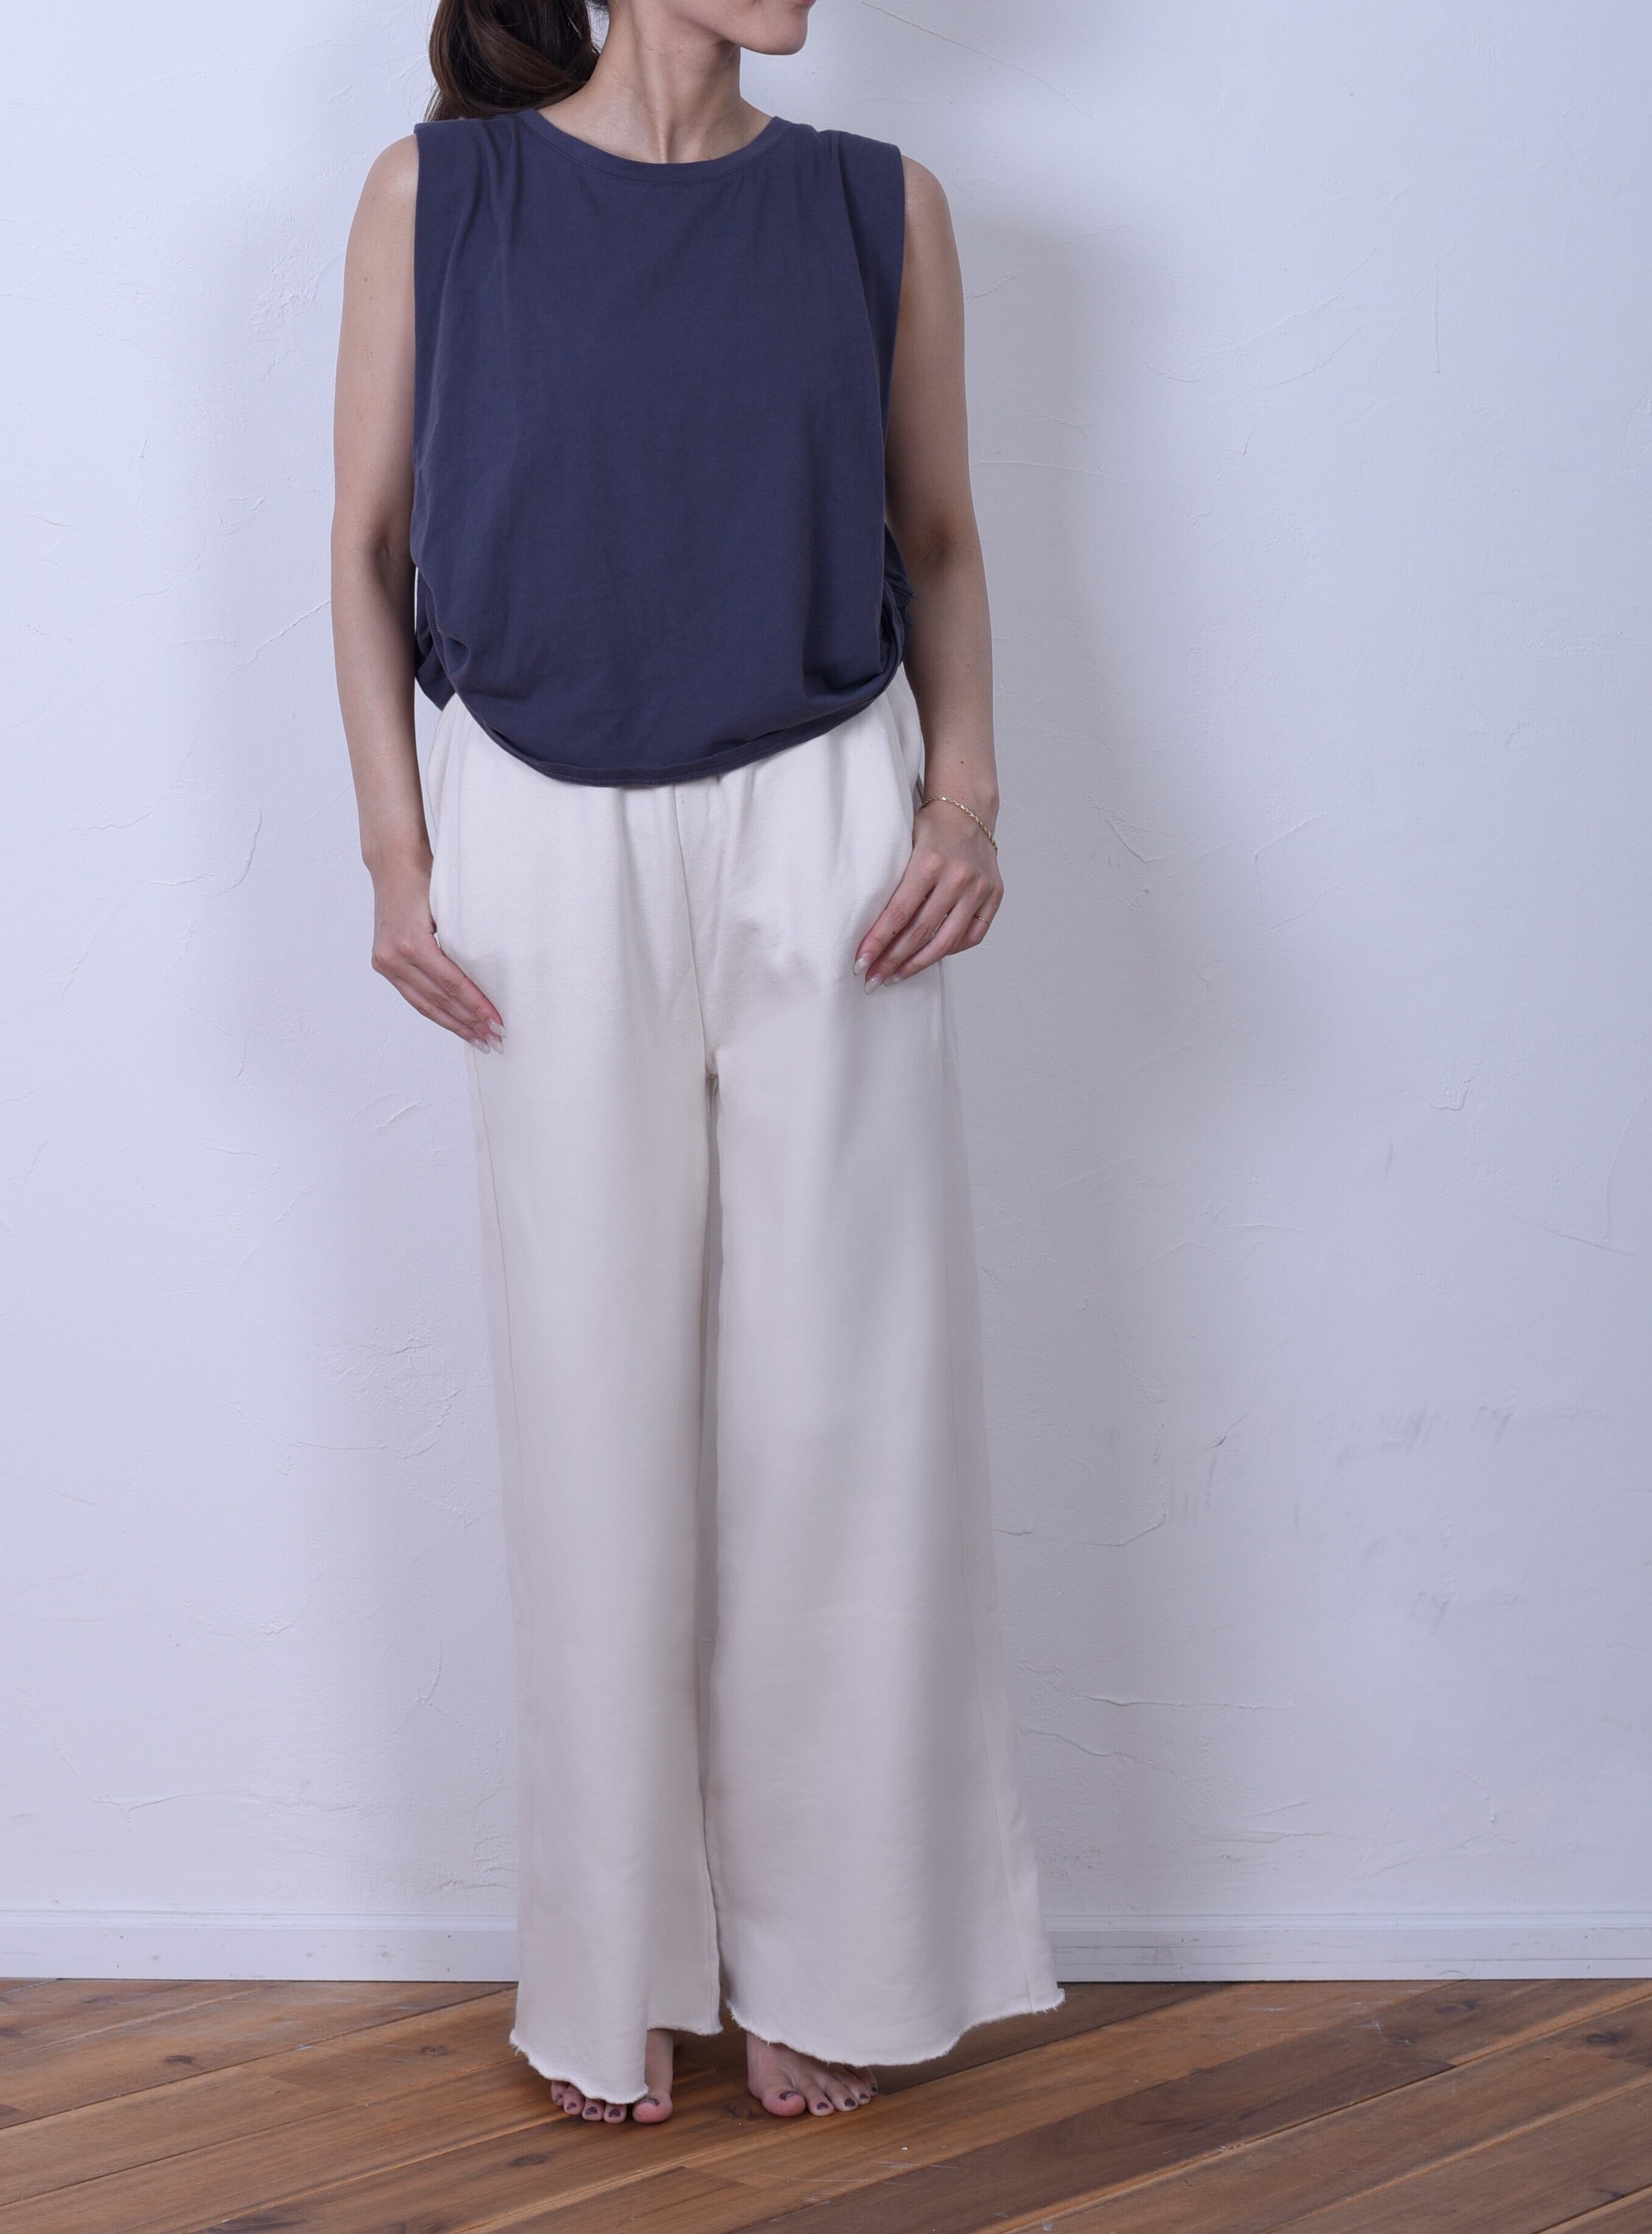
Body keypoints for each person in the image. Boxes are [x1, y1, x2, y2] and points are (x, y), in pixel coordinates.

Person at [330, 0, 1064, 2128]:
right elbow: (366, 546)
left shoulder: (875, 204)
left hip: (831, 806)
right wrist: (397, 858)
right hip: (538, 821)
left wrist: (965, 805)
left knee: (848, 1399)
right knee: (592, 1391)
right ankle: (607, 1972)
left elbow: (942, 533)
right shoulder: (440, 192)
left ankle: (838, 1961)